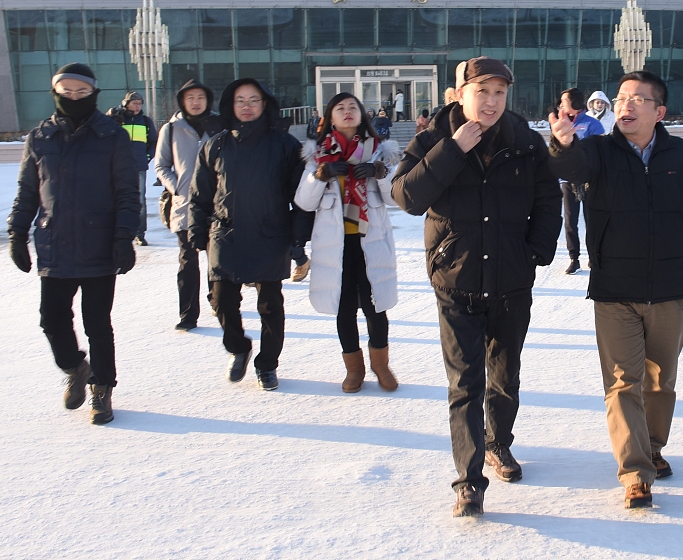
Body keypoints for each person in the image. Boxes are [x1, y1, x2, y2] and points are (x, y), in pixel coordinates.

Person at [548, 70, 683, 510]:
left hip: (670, 291)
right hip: (614, 291)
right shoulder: (596, 152)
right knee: (621, 383)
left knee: (660, 380)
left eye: (637, 99)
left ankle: (652, 446)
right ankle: (635, 471)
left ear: (659, 111)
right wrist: (561, 142)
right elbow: (567, 167)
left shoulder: (682, 156)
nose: (625, 106)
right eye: (620, 99)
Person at [392, 57, 561, 518]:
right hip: (456, 280)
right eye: (481, 92)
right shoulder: (432, 139)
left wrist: (536, 250)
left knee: (504, 379)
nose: (490, 102)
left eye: (499, 93)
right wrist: (452, 149)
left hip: (511, 280)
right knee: (465, 383)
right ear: (459, 94)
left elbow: (549, 198)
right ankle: (468, 482)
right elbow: (406, 197)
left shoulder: (525, 142)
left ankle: (497, 444)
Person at [8, 63, 140, 425]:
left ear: (94, 94)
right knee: (52, 319)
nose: (74, 98)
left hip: (100, 244)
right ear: (55, 94)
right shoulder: (40, 138)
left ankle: (102, 389)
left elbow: (127, 192)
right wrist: (17, 234)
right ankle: (74, 367)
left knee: (97, 323)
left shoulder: (112, 136)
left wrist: (124, 237)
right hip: (56, 244)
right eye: (66, 92)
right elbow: (27, 193)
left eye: (81, 92)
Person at [188, 78, 305, 391]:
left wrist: (298, 240)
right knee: (220, 299)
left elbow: (301, 197)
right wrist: (197, 230)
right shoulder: (216, 145)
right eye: (240, 100)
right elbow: (200, 194)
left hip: (270, 232)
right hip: (226, 233)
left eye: (254, 100)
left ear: (264, 104)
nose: (247, 106)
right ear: (231, 105)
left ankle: (267, 364)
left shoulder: (285, 145)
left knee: (270, 305)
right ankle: (238, 346)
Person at [294, 93, 402, 393]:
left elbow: (395, 198)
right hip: (336, 246)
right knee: (344, 309)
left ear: (361, 114)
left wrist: (380, 173)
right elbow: (303, 202)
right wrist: (319, 175)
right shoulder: (318, 156)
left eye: (352, 107)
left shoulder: (379, 152)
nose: (347, 112)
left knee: (375, 306)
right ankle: (354, 369)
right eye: (339, 108)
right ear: (330, 118)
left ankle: (381, 365)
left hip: (371, 242)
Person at [155, 80, 222, 331]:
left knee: (216, 259)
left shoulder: (219, 126)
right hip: (184, 205)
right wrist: (178, 188)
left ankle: (218, 302)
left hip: (216, 204)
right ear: (182, 100)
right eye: (190, 97)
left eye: (201, 97)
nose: (196, 102)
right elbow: (161, 165)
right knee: (187, 261)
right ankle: (188, 314)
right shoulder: (171, 129)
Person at [552, 88, 606, 274]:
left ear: (575, 103)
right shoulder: (561, 123)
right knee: (570, 221)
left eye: (564, 101)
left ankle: (594, 256)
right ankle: (574, 258)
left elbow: (598, 152)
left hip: (589, 181)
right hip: (568, 181)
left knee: (592, 219)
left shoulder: (593, 125)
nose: (561, 105)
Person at [107, 91, 156, 245]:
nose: (137, 106)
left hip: (139, 166)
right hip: (119, 166)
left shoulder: (146, 121)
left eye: (140, 103)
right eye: (134, 103)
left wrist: (147, 157)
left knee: (139, 200)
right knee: (116, 198)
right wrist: (111, 118)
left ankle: (140, 233)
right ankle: (118, 231)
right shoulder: (118, 119)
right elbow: (107, 135)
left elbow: (153, 142)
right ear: (126, 103)